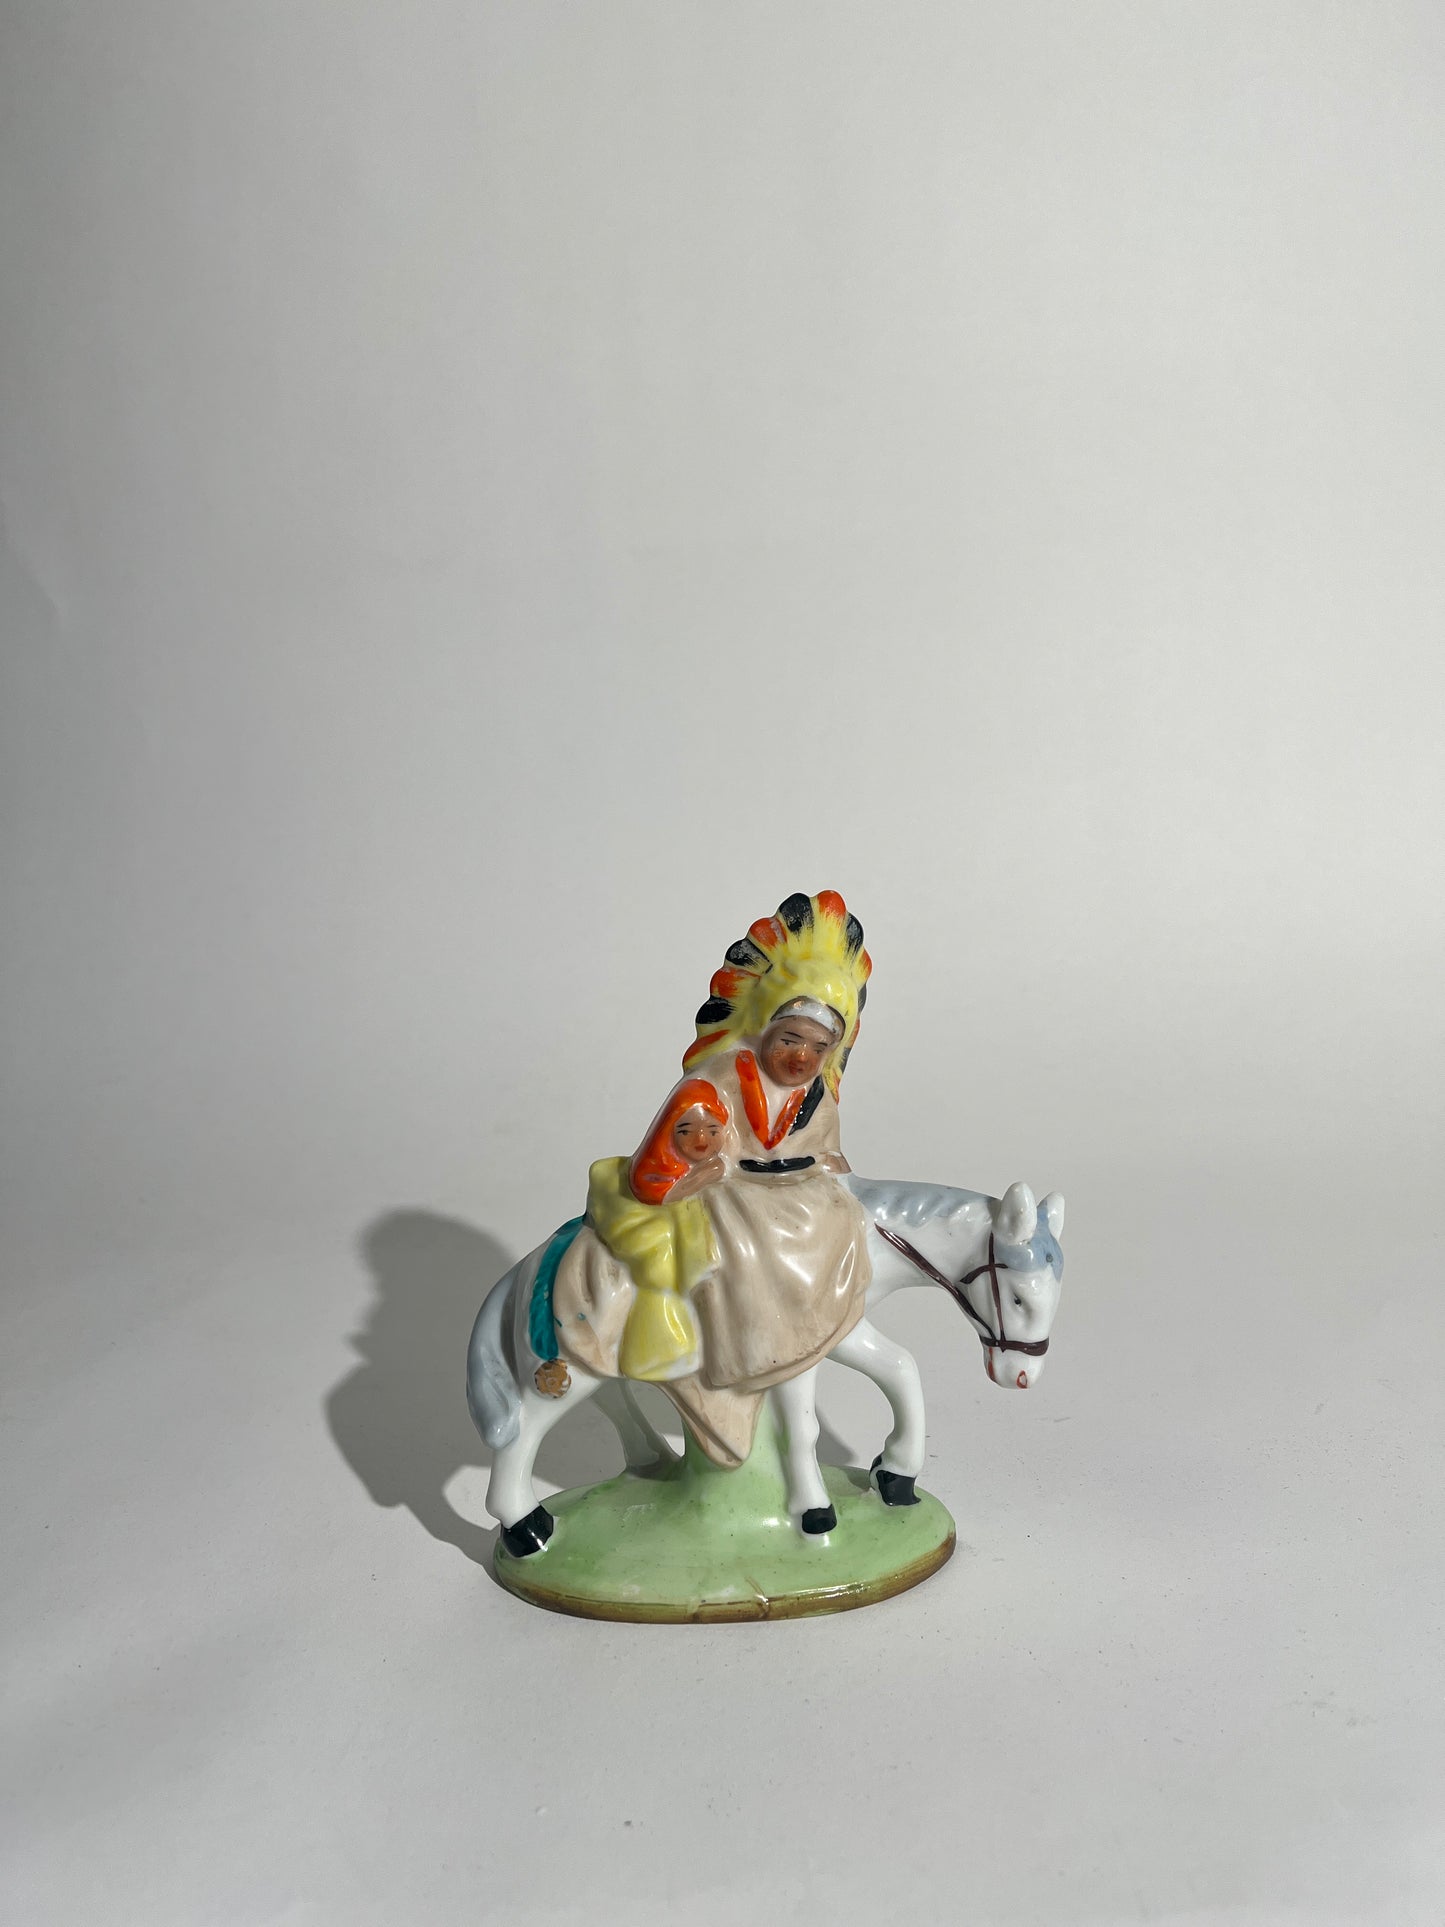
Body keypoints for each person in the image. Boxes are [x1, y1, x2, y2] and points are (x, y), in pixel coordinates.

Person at [551, 891, 873, 1467]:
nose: (802, 1057)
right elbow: (663, 1169)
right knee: (733, 1253)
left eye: (819, 1046)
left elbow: (825, 1156)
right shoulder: (716, 1082)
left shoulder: (815, 1095)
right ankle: (726, 1359)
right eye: (790, 1039)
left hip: (783, 1207)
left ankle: (789, 1339)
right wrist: (711, 1172)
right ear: (764, 1027)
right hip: (711, 1202)